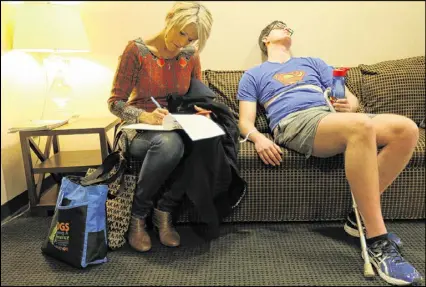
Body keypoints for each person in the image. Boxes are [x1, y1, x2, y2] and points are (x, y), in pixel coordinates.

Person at [237, 20, 423, 286]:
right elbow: (245, 121)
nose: (286, 28)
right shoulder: (254, 74)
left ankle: (355, 216)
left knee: (406, 129)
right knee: (360, 126)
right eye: (279, 26)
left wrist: (349, 104)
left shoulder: (314, 63)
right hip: (293, 122)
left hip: (330, 117)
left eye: (288, 26)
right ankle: (377, 240)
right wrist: (257, 139)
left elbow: (350, 99)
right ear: (266, 39)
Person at [107, 2, 217, 252]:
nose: (183, 43)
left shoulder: (190, 54)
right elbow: (115, 103)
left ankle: (164, 210)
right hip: (139, 129)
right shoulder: (136, 50)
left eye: (191, 38)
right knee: (170, 144)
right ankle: (138, 216)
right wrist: (145, 116)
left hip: (176, 124)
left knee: (207, 142)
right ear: (170, 19)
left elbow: (196, 96)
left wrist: (200, 110)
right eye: (181, 33)